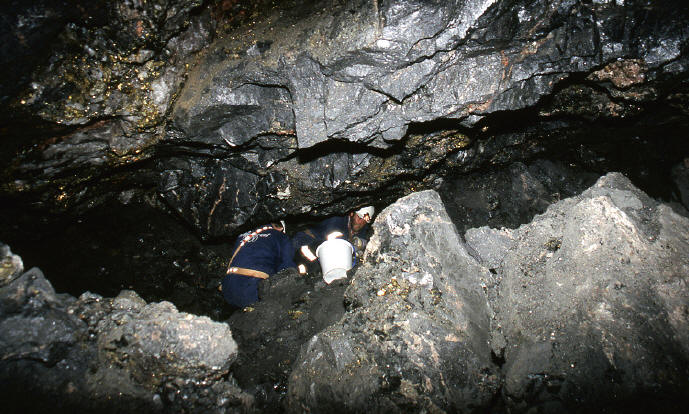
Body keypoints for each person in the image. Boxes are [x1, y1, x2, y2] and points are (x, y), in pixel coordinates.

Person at [222, 221, 295, 308]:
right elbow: (287, 266)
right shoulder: (280, 236)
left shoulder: (242, 235)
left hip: (227, 287)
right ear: (281, 228)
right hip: (252, 286)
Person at [293, 206, 375, 274]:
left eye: (365, 220)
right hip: (305, 242)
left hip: (320, 247)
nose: (361, 222)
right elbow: (334, 245)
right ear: (352, 213)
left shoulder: (363, 228)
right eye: (359, 217)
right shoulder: (337, 221)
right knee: (313, 267)